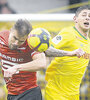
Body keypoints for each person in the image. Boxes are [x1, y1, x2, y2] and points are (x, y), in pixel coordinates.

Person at [1, 19, 86, 100]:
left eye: (21, 41)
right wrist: (69, 53)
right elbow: (47, 51)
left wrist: (16, 67)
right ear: (11, 30)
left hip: (29, 93)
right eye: (15, 38)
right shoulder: (1, 37)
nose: (16, 43)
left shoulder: (30, 44)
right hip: (12, 93)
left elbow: (41, 63)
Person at [45, 5, 90, 100]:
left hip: (74, 94)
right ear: (75, 19)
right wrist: (69, 53)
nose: (87, 17)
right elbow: (47, 50)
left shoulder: (88, 43)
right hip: (56, 93)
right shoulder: (68, 33)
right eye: (84, 15)